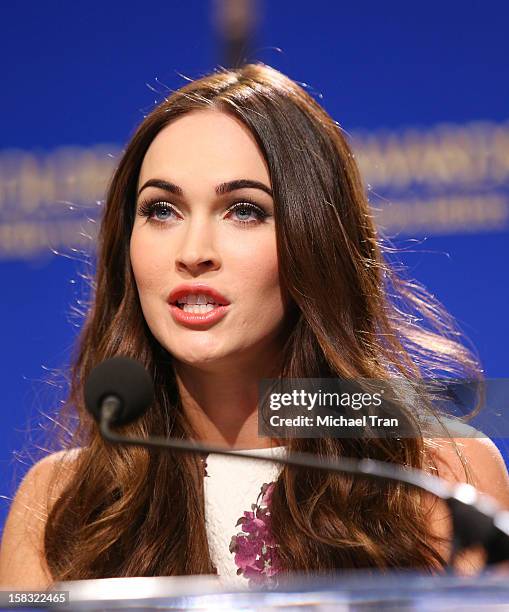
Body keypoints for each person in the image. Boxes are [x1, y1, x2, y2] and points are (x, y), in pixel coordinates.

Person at [1, 62, 509, 590]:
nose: (194, 252)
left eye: (243, 210)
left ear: (315, 242)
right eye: (161, 210)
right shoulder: (61, 504)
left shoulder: (440, 479)